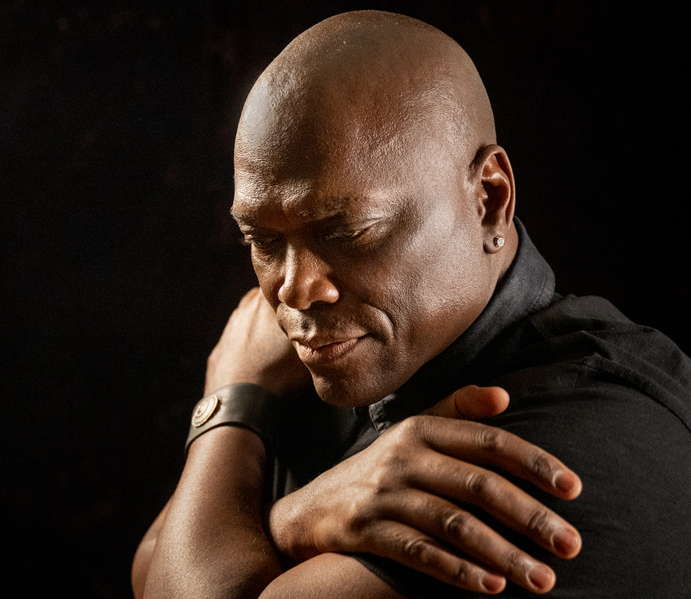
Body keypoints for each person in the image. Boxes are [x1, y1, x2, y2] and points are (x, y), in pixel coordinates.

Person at [132, 10, 691, 598]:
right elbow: (154, 566)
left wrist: (234, 414)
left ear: (489, 199)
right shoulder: (343, 354)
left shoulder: (574, 450)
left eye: (346, 233)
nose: (295, 290)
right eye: (263, 241)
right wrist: (287, 491)